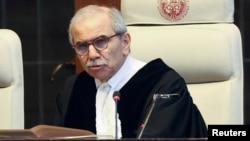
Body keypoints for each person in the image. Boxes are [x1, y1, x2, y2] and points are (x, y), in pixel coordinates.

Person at [54, 4, 208, 139]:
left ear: (125, 42)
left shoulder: (164, 84)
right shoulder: (73, 88)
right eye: (82, 46)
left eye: (101, 42)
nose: (92, 54)